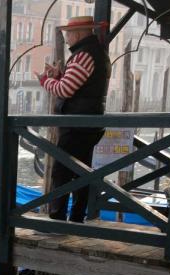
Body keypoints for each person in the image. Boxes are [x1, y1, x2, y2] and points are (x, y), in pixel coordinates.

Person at [37, 15, 110, 223]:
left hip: (77, 125)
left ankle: (58, 219)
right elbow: (80, 86)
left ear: (78, 34)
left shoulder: (83, 56)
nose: (67, 38)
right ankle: (77, 217)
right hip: (88, 123)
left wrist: (46, 80)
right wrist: (60, 75)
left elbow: (65, 90)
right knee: (81, 171)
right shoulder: (95, 53)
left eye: (68, 34)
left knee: (61, 171)